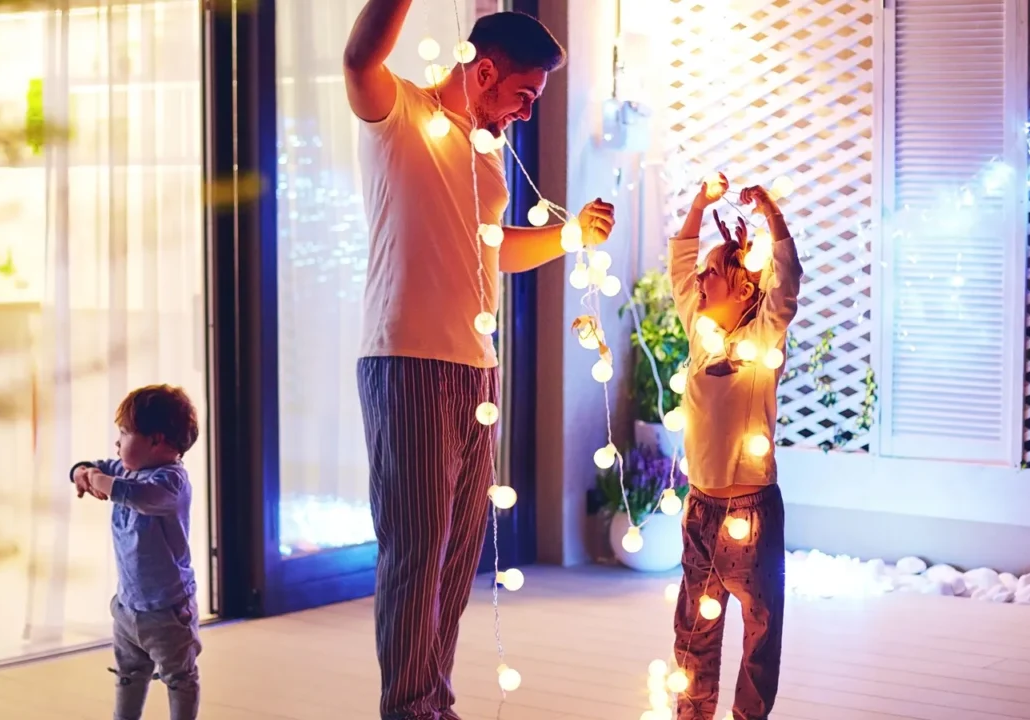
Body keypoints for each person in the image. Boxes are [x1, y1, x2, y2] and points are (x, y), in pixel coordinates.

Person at [342, 5, 615, 718]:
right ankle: (408, 707)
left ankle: (433, 699)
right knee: (417, 554)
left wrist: (569, 235)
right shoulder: (400, 114)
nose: (525, 113)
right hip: (406, 359)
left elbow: (495, 249)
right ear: (485, 70)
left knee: (458, 556)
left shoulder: (483, 150)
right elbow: (358, 59)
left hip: (476, 368)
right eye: (524, 94)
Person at [665, 173, 802, 719]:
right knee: (694, 631)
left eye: (713, 272)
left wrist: (770, 214)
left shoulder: (762, 337)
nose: (700, 280)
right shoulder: (699, 334)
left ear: (744, 288)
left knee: (759, 635)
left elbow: (787, 280)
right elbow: (680, 266)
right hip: (702, 511)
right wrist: (699, 202)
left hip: (752, 513)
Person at [70, 384, 202, 720]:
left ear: (156, 440)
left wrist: (99, 481)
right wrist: (82, 472)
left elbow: (137, 495)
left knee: (179, 678)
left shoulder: (171, 482)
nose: (117, 443)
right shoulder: (125, 467)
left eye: (125, 433)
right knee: (128, 674)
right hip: (128, 606)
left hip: (169, 611)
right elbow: (89, 465)